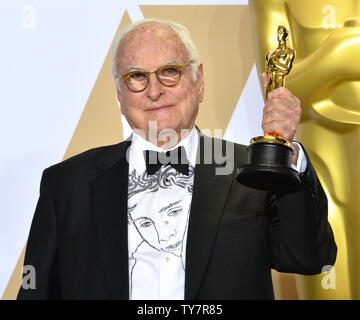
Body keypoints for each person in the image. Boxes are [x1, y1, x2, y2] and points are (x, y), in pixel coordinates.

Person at [17, 18, 337, 300]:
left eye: (170, 71)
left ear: (198, 80)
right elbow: (36, 291)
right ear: (119, 94)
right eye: (137, 76)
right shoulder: (67, 184)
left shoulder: (250, 169)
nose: (154, 91)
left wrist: (286, 150)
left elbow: (311, 258)